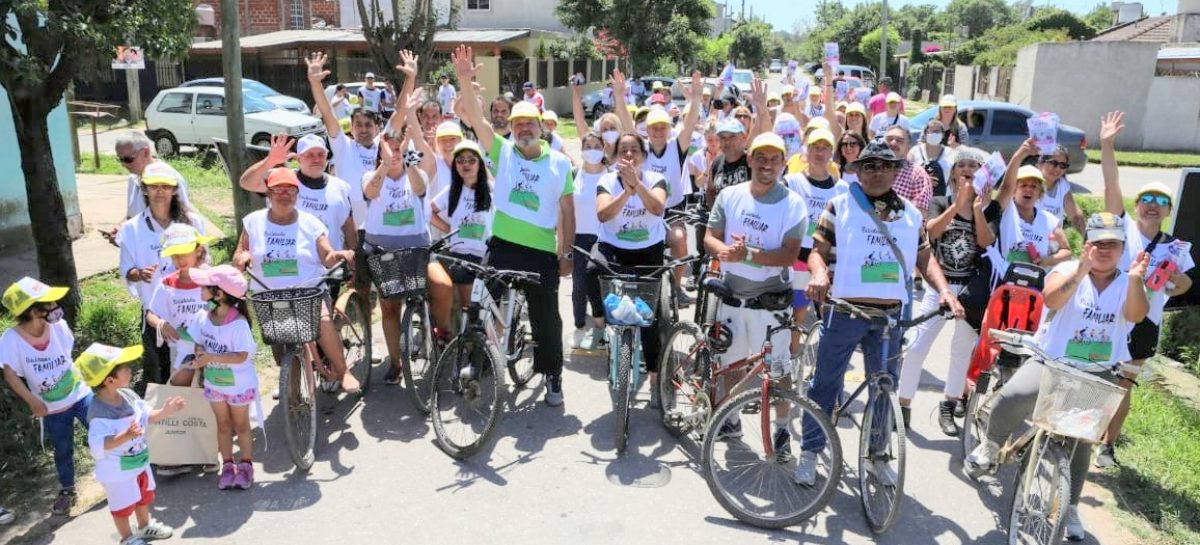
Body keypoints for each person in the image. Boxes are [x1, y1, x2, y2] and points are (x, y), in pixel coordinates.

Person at [966, 212, 1150, 542]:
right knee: (1013, 397)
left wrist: (1136, 279)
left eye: (1113, 244)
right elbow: (1051, 299)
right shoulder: (1067, 270)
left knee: (1080, 441)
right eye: (1098, 243)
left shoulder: (1128, 281)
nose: (1105, 250)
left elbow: (1136, 315)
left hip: (1097, 371)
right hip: (1053, 361)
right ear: (1087, 244)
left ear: (1122, 248)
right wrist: (1080, 271)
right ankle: (991, 445)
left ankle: (1071, 505)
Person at [799, 138, 965, 485]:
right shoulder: (839, 205)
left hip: (889, 317)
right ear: (858, 171)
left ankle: (877, 455)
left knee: (883, 389)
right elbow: (817, 250)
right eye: (869, 165)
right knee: (825, 385)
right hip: (845, 311)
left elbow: (924, 258)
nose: (877, 172)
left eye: (885, 165)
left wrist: (945, 291)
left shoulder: (910, 214)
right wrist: (818, 273)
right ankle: (811, 451)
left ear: (896, 170)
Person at [453, 45, 575, 406]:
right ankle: (478, 365)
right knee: (480, 305)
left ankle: (552, 375)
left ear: (541, 127)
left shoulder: (560, 164)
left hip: (541, 253)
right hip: (502, 246)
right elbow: (476, 118)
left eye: (530, 124)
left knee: (546, 320)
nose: (523, 129)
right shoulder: (502, 151)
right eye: (518, 124)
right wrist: (464, 79)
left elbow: (567, 212)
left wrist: (564, 253)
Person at [1095, 110, 1194, 468]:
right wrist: (1106, 145)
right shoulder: (1121, 227)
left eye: (1161, 202)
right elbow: (1110, 185)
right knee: (1093, 374)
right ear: (1136, 206)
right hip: (1106, 315)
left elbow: (1185, 283)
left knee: (1124, 384)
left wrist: (1172, 280)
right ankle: (1079, 432)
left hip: (1145, 323)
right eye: (1147, 200)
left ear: (1167, 211)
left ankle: (1107, 445)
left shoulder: (1176, 247)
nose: (1153, 205)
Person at [703, 132, 807, 452]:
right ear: (749, 160)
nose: (766, 164)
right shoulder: (730, 195)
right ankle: (731, 419)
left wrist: (746, 254)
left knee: (777, 370)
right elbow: (710, 237)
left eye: (774, 159)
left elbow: (789, 255)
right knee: (732, 364)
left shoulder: (793, 205)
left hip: (769, 302)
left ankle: (782, 429)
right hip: (731, 296)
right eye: (760, 157)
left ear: (782, 164)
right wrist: (724, 253)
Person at [897, 146, 999, 434]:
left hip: (968, 290)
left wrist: (976, 208)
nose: (967, 169)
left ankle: (948, 406)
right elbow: (932, 231)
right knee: (917, 347)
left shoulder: (988, 208)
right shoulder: (941, 201)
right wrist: (958, 205)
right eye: (962, 164)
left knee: (960, 351)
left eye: (974, 165)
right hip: (939, 286)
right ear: (953, 172)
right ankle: (903, 405)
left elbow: (986, 240)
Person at [233, 168, 359, 392]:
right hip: (269, 296)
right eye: (278, 189)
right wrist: (242, 257)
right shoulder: (253, 222)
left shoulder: (310, 223)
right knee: (280, 348)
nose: (284, 194)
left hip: (308, 292)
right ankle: (291, 396)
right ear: (268, 194)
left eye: (290, 190)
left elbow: (327, 255)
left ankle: (343, 372)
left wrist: (338, 255)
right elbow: (240, 252)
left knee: (323, 322)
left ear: (297, 194)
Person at [364, 100, 451, 385]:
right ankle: (396, 361)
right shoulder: (371, 174)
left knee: (441, 286)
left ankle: (441, 334)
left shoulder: (418, 172)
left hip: (418, 250)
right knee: (389, 307)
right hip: (383, 252)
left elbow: (419, 188)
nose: (395, 152)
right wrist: (383, 165)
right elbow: (370, 191)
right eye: (389, 147)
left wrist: (408, 164)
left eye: (399, 147)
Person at [1, 278, 89, 515]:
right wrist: (33, 401)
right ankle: (68, 490)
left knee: (105, 427)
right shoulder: (11, 339)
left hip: (80, 394)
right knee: (62, 449)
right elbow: (10, 374)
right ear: (32, 310)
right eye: (48, 303)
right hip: (52, 408)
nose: (55, 306)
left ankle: (128, 466)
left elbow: (67, 353)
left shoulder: (59, 326)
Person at [586, 132, 669, 385]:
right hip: (613, 246)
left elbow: (657, 208)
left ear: (643, 156)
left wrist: (638, 185)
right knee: (591, 269)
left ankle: (655, 372)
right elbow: (602, 214)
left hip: (648, 249)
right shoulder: (607, 181)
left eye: (634, 150)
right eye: (623, 150)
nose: (629, 154)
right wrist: (626, 191)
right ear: (616, 157)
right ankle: (600, 317)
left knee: (650, 316)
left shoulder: (657, 179)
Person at [79, 343, 183, 545]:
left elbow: (145, 415)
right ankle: (127, 538)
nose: (130, 370)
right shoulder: (98, 413)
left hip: (138, 461)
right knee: (122, 505)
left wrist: (165, 411)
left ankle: (144, 527)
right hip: (118, 471)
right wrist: (125, 436)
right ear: (109, 380)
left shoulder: (127, 395)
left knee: (143, 496)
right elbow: (101, 444)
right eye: (124, 368)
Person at [118, 163, 208, 387]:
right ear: (144, 190)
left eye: (165, 186)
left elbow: (205, 260)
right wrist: (139, 274)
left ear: (175, 190)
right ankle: (171, 418)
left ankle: (205, 417)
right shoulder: (131, 228)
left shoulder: (193, 222)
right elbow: (126, 270)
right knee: (163, 370)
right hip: (156, 311)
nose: (160, 191)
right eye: (154, 186)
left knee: (201, 371)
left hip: (195, 310)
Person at [184, 265, 258, 490]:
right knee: (223, 425)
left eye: (204, 287)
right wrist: (199, 354)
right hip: (215, 383)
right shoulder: (203, 315)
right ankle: (227, 465)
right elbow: (198, 339)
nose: (199, 290)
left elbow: (242, 356)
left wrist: (211, 357)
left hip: (238, 386)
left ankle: (245, 466)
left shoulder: (238, 324)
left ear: (219, 294)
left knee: (241, 425)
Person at [783, 128, 849, 355]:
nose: (819, 153)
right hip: (798, 258)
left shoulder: (843, 189)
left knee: (828, 315)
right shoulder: (791, 182)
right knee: (798, 312)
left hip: (829, 261)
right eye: (815, 147)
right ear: (806, 151)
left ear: (832, 152)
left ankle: (822, 360)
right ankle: (792, 357)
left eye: (825, 148)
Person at [239, 133, 357, 259]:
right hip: (288, 265)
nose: (316, 159)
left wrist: (355, 260)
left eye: (320, 154)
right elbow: (246, 183)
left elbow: (348, 226)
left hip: (330, 264)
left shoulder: (341, 187)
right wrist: (270, 161)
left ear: (327, 156)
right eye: (310, 155)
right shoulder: (283, 179)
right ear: (299, 158)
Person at [431, 139, 495, 321]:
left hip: (484, 256)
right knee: (466, 307)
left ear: (480, 164)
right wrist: (448, 228)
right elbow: (430, 211)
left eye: (471, 160)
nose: (465, 165)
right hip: (458, 254)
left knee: (482, 307)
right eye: (460, 161)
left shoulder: (491, 189)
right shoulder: (451, 190)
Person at [146, 224, 214, 389]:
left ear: (198, 250)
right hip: (180, 350)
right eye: (174, 255)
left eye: (184, 253)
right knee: (179, 394)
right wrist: (161, 324)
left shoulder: (212, 279)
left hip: (213, 350)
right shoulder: (167, 283)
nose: (179, 259)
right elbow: (150, 314)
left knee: (211, 395)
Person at [992, 143, 1073, 271]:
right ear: (1014, 190)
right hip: (1004, 283)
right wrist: (1020, 154)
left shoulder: (1049, 220)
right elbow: (1005, 188)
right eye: (1023, 185)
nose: (1028, 190)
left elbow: (1067, 251)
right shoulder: (1006, 212)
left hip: (1035, 285)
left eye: (1034, 186)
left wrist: (1048, 260)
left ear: (1040, 194)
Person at [571, 132, 610, 350]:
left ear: (604, 148)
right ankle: (579, 326)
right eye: (588, 145)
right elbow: (564, 208)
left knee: (601, 286)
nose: (592, 149)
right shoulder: (574, 174)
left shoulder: (612, 174)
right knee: (579, 286)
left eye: (597, 145)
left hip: (604, 237)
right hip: (579, 237)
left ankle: (603, 328)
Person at [111, 132, 192, 227]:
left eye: (128, 159)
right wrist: (120, 228)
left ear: (145, 152)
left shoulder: (171, 179)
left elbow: (184, 220)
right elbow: (133, 215)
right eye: (120, 159)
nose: (123, 164)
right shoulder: (133, 178)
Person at [882, 125, 932, 214]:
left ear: (908, 148)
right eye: (889, 139)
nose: (893, 143)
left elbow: (920, 213)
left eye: (899, 140)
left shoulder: (918, 174)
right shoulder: (870, 169)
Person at [1037, 146, 1086, 232]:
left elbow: (1075, 215)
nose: (1058, 168)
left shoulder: (1063, 185)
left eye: (1062, 165)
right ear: (1041, 163)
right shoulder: (1030, 182)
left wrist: (1083, 239)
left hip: (1054, 242)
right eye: (1053, 163)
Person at [704, 120, 751, 208]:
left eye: (732, 136)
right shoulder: (716, 163)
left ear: (744, 137)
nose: (727, 141)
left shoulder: (751, 161)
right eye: (723, 138)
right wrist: (715, 214)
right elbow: (710, 191)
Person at [909, 119, 953, 198]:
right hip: (918, 198)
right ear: (925, 134)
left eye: (937, 132)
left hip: (943, 199)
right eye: (931, 132)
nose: (934, 134)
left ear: (943, 135)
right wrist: (924, 179)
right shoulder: (914, 151)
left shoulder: (950, 153)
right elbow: (906, 175)